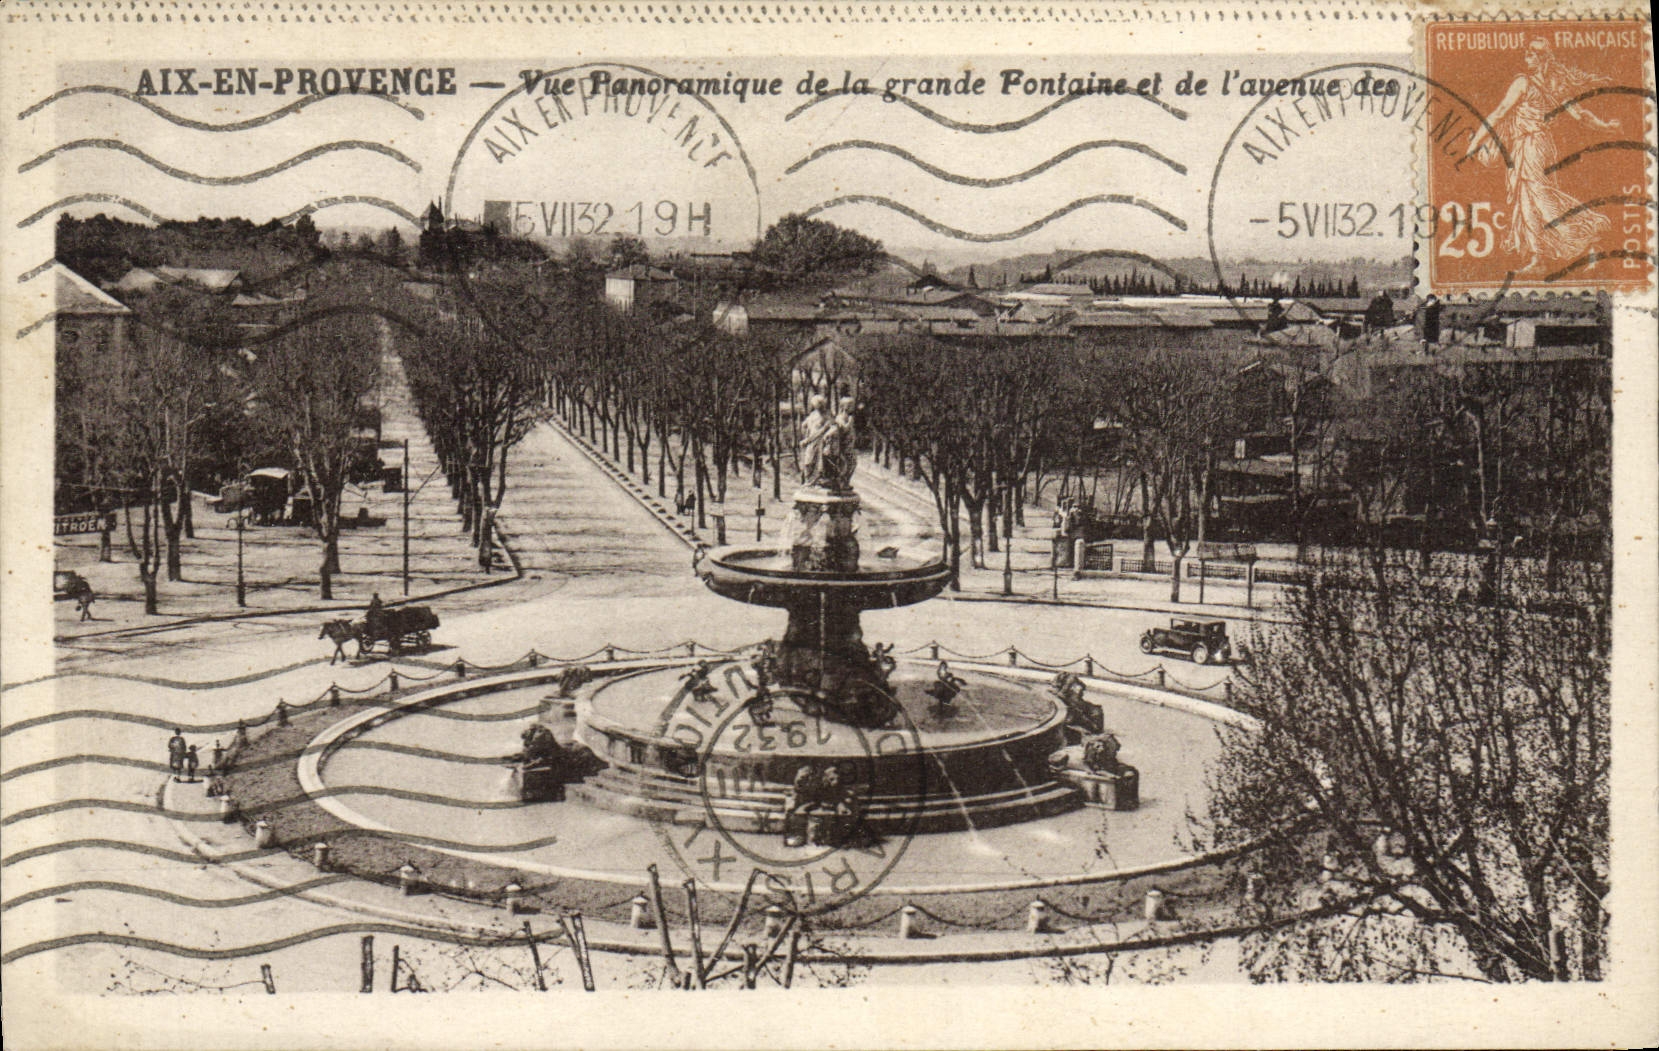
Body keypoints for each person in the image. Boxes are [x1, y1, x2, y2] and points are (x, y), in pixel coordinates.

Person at [1465, 38, 1621, 273]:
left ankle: (1588, 234)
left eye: (1530, 55)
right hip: (1533, 145)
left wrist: (1475, 143)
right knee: (1526, 199)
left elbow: (1499, 113)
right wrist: (1606, 126)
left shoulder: (1523, 82)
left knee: (1539, 197)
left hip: (1532, 145)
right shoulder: (1556, 86)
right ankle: (1538, 258)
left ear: (1540, 58)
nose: (1526, 59)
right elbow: (1582, 115)